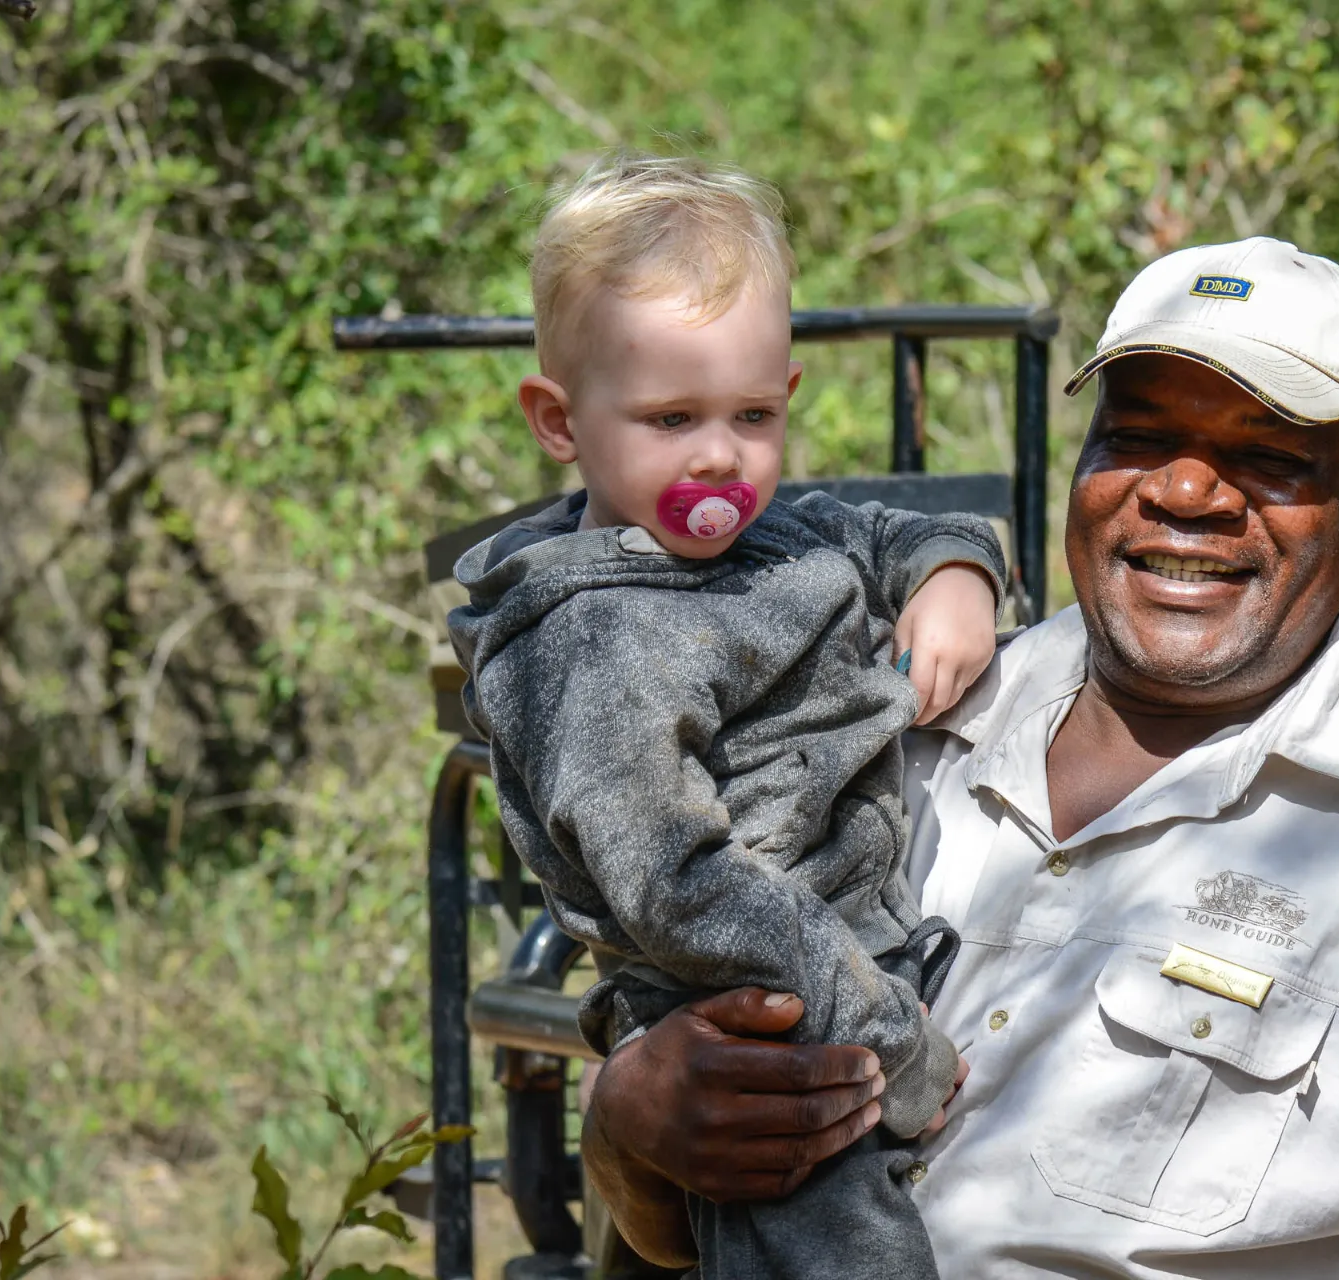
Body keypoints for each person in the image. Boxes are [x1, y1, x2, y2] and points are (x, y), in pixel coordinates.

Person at [581, 237, 1339, 1279]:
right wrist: (629, 1125)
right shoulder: (880, 726)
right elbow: (673, 1194)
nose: (1189, 489)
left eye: (1272, 456)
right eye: (1141, 435)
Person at [446, 152, 1006, 1280]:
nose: (719, 456)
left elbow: (889, 532)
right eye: (671, 417)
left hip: (857, 950)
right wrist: (880, 1030)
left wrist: (955, 571)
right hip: (758, 1015)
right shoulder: (592, 640)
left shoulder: (773, 530)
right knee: (841, 1247)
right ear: (559, 420)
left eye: (754, 414)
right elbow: (680, 884)